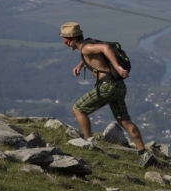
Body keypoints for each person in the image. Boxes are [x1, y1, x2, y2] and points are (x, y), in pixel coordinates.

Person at [59, 21, 155, 168]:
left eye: (66, 41)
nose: (65, 44)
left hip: (107, 86)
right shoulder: (87, 44)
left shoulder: (85, 48)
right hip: (118, 86)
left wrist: (117, 66)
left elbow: (105, 48)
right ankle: (143, 153)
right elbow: (95, 57)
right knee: (124, 120)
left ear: (72, 39)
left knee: (78, 108)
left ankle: (88, 141)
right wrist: (80, 65)